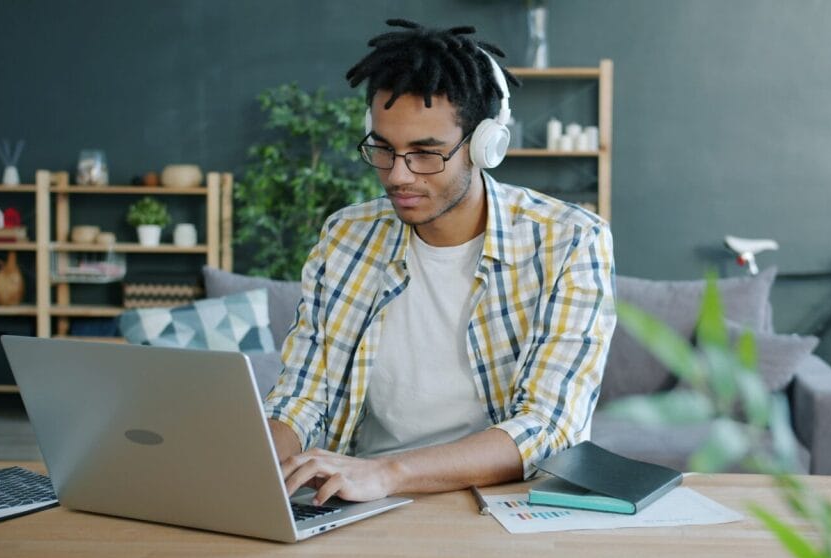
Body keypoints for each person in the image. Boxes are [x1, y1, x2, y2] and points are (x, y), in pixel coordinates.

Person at [263, 19, 615, 505]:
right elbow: (303, 396)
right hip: (363, 499)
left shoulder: (570, 241)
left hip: (503, 503)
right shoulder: (346, 236)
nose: (398, 175)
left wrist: (387, 473)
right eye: (383, 149)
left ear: (485, 146)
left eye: (425, 154)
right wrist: (255, 470)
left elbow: (549, 426)